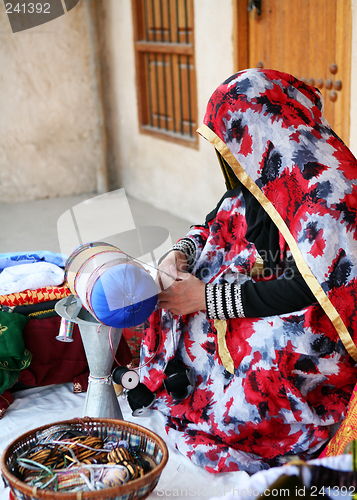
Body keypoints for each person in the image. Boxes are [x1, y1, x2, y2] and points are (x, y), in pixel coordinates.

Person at [138, 68, 357, 474]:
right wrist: (180, 254)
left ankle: (247, 424)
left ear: (258, 126)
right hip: (270, 283)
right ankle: (190, 384)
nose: (226, 153)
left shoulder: (333, 192)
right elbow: (218, 217)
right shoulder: (265, 166)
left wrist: (207, 298)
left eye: (229, 138)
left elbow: (310, 288)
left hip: (321, 322)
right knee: (181, 294)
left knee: (264, 355)